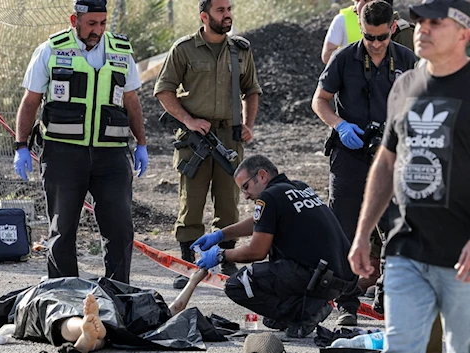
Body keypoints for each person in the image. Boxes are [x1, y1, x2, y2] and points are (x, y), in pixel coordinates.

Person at [348, 0, 470, 352]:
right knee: (400, 345)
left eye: (435, 23)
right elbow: (386, 164)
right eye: (419, 22)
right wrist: (362, 233)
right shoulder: (404, 86)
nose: (423, 29)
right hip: (405, 250)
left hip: (460, 257)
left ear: (464, 33)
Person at [12, 0, 148, 283]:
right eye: (91, 24)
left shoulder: (121, 52)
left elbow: (132, 101)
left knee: (120, 228)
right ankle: (64, 294)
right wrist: (21, 145)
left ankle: (118, 293)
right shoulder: (50, 49)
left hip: (111, 155)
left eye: (102, 23)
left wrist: (142, 144)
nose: (97, 30)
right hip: (63, 154)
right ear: (75, 21)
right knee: (62, 230)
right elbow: (31, 101)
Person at [311, 0, 417, 326]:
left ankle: (387, 291)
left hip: (390, 155)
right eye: (369, 37)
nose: (375, 44)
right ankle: (346, 304)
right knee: (343, 229)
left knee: (396, 225)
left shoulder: (408, 60)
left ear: (393, 29)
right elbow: (320, 100)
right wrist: (339, 125)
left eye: (381, 37)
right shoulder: (345, 58)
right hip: (350, 155)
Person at [153, 0, 262, 290]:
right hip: (195, 139)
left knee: (229, 201)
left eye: (229, 10)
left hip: (229, 137)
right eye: (220, 10)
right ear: (204, 16)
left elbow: (252, 90)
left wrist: (248, 124)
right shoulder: (184, 49)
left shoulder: (241, 49)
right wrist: (188, 120)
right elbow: (163, 90)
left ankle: (226, 260)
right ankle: (188, 262)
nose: (227, 15)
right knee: (191, 201)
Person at [191, 155, 357, 338]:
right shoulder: (299, 187)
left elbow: (256, 252)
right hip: (340, 278)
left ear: (262, 176)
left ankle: (304, 312)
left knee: (237, 284)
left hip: (316, 278)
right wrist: (220, 235)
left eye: (245, 187)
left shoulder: (269, 197)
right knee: (272, 310)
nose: (245, 196)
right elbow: (260, 222)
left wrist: (221, 255)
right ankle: (298, 308)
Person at [0, 270, 214, 353]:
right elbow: (175, 309)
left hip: (40, 301)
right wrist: (192, 281)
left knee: (56, 316)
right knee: (96, 321)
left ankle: (86, 335)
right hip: (100, 301)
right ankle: (92, 334)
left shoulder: (32, 291)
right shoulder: (132, 300)